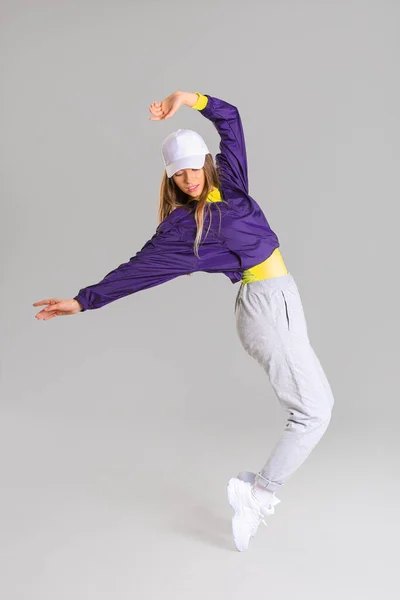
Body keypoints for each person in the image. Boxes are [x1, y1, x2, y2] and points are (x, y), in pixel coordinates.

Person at [33, 90, 335, 552]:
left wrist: (186, 98)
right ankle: (258, 492)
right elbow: (137, 271)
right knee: (313, 411)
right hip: (265, 309)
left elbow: (230, 119)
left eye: (193, 167)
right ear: (169, 177)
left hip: (282, 301)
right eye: (178, 173)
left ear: (206, 163)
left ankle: (258, 490)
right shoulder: (182, 228)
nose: (188, 178)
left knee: (318, 405)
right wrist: (82, 300)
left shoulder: (231, 185)